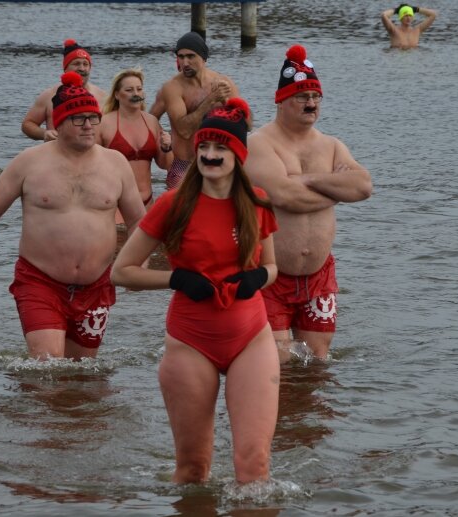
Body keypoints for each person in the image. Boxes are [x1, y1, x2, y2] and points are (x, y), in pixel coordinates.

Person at [111, 98, 280, 484]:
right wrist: (176, 279)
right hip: (191, 342)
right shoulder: (173, 204)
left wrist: (256, 279)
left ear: (238, 155)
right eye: (204, 146)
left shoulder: (256, 202)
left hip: (251, 338)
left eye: (220, 147)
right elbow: (122, 272)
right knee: (192, 469)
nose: (210, 154)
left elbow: (272, 268)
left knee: (253, 466)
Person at [0, 72, 145, 360]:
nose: (88, 126)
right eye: (79, 119)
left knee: (83, 376)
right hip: (40, 281)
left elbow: (138, 220)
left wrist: (138, 261)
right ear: (59, 123)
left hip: (97, 285)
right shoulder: (29, 162)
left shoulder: (115, 163)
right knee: (47, 369)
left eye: (93, 118)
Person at [245, 45, 373, 361]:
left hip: (318, 277)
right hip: (271, 274)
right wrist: (335, 190)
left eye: (316, 97)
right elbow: (284, 196)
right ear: (281, 100)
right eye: (302, 97)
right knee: (277, 363)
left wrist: (309, 179)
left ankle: (308, 413)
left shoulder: (331, 145)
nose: (311, 103)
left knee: (317, 362)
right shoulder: (258, 143)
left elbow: (363, 187)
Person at [149, 32, 240, 189]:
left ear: (203, 58)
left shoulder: (224, 83)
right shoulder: (172, 88)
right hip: (184, 165)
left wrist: (228, 105)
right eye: (181, 56)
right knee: (180, 212)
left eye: (191, 56)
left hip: (219, 162)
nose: (185, 62)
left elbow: (246, 124)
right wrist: (163, 143)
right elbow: (177, 128)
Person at [97, 68, 174, 221]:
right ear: (117, 95)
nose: (136, 94)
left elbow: (166, 165)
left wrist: (167, 148)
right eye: (129, 90)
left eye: (139, 89)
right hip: (116, 203)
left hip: (147, 202)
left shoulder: (151, 121)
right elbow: (89, 164)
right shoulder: (104, 123)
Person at [21, 39, 108, 142]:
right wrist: (44, 133)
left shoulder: (102, 96)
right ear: (65, 69)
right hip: (57, 151)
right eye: (76, 64)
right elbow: (27, 124)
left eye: (85, 64)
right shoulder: (49, 95)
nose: (82, 68)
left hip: (93, 153)